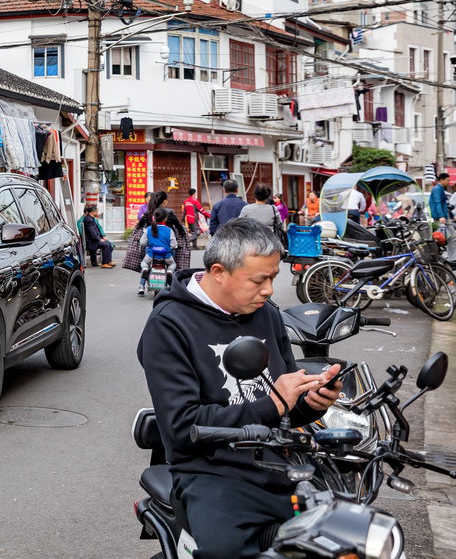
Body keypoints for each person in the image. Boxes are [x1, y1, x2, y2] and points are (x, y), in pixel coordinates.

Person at [137, 219, 343, 559]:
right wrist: (274, 403)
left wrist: (312, 401)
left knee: (343, 535)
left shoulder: (268, 314)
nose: (269, 290)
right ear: (219, 272)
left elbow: (284, 406)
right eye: (259, 280)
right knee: (226, 551)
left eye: (273, 277)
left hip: (279, 460)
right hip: (211, 472)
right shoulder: (169, 324)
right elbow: (182, 427)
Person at [138, 207, 177, 296]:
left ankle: (142, 282)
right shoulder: (169, 230)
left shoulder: (148, 229)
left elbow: (142, 243)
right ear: (165, 218)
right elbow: (174, 244)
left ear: (154, 217)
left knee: (144, 263)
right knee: (172, 264)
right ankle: (169, 271)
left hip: (151, 255)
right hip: (166, 256)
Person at [81, 203, 114, 268]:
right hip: (91, 241)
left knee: (109, 244)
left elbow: (97, 230)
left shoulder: (91, 218)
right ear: (94, 211)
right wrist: (99, 239)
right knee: (106, 245)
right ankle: (104, 263)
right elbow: (92, 233)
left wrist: (102, 237)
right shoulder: (88, 220)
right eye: (97, 211)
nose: (98, 212)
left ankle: (108, 261)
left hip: (94, 240)